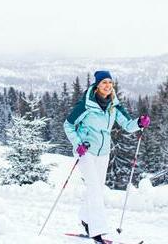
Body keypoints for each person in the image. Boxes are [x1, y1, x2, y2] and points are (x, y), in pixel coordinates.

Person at [63, 70, 150, 244]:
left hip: (103, 153)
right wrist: (77, 143)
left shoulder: (113, 105)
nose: (108, 86)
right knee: (95, 189)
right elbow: (68, 125)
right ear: (96, 86)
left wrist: (139, 123)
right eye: (104, 83)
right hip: (85, 150)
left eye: (110, 82)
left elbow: (126, 124)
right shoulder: (86, 105)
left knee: (96, 189)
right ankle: (97, 232)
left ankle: (85, 218)